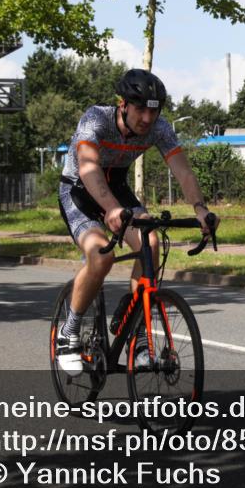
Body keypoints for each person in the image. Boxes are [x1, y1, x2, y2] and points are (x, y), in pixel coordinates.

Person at [56, 68, 217, 374]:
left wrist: (200, 209)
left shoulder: (160, 129)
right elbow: (88, 167)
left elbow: (183, 171)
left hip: (115, 185)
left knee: (151, 242)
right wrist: (111, 209)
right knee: (101, 256)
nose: (146, 119)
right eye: (140, 110)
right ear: (123, 104)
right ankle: (70, 332)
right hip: (79, 188)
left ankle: (139, 337)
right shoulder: (96, 119)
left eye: (152, 112)